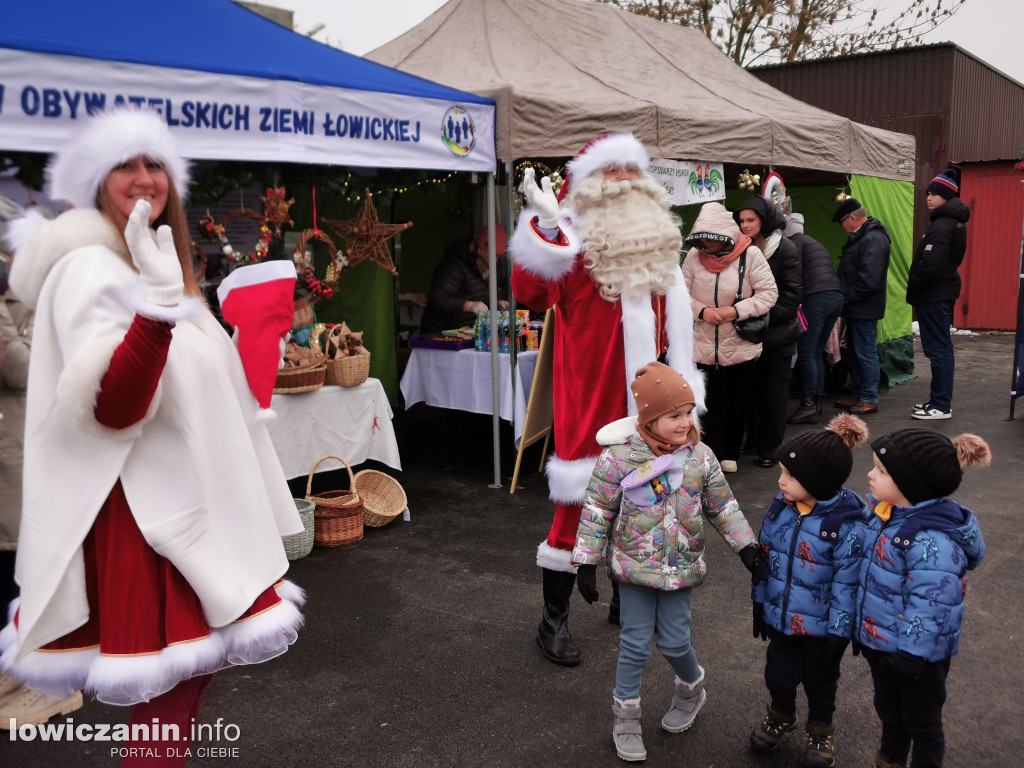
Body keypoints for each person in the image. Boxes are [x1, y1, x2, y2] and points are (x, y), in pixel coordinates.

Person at [0, 109, 304, 761]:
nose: (144, 177)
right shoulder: (93, 270)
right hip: (149, 521)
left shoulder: (154, 259)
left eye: (154, 163)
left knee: (186, 690)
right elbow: (114, 407)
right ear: (96, 182)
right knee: (166, 707)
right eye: (125, 165)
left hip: (183, 509)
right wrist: (158, 310)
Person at [510, 133, 703, 666]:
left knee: (642, 503)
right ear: (587, 185)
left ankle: (625, 597)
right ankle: (553, 621)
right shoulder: (573, 245)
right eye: (610, 172)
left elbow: (668, 328)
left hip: (650, 408)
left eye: (630, 171)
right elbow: (529, 293)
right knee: (577, 513)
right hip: (591, 406)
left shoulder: (659, 244)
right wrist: (546, 227)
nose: (623, 181)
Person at [571, 362, 759, 762]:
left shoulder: (700, 457)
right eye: (674, 415)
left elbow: (722, 506)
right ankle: (625, 718)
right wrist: (585, 562)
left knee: (675, 641)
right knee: (635, 644)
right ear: (649, 419)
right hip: (634, 569)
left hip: (681, 568)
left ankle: (691, 690)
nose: (685, 422)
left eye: (688, 412)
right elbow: (596, 510)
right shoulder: (618, 459)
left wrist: (746, 546)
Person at [854, 428, 990, 768]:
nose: (870, 474)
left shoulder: (932, 541)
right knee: (890, 711)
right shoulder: (887, 514)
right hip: (885, 642)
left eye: (881, 471)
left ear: (912, 486)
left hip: (918, 656)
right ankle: (890, 759)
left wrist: (913, 653)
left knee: (922, 722)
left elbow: (932, 604)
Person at [749, 414, 872, 767]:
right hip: (782, 619)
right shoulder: (781, 508)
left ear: (817, 482)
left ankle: (821, 730)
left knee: (821, 682)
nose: (780, 481)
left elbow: (848, 584)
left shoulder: (846, 526)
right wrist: (759, 604)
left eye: (790, 476)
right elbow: (765, 559)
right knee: (778, 674)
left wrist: (841, 630)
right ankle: (781, 714)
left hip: (822, 630)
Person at [682, 201, 777, 473]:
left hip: (739, 346)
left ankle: (730, 452)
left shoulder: (751, 255)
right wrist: (702, 311)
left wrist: (734, 311)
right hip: (701, 344)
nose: (707, 247)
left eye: (712, 240)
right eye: (702, 240)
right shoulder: (692, 257)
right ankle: (708, 452)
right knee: (706, 402)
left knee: (737, 402)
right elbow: (679, 293)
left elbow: (769, 293)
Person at [736, 195, 803, 468]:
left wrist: (758, 315)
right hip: (748, 333)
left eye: (751, 220)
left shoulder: (784, 249)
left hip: (777, 334)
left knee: (773, 394)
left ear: (764, 220)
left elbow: (792, 295)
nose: (745, 225)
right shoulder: (741, 247)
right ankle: (752, 439)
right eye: (741, 220)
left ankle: (770, 449)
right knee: (750, 391)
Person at [907, 168, 969, 420]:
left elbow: (931, 264)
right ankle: (937, 401)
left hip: (934, 294)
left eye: (934, 194)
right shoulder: (947, 222)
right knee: (937, 349)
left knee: (939, 349)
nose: (929, 198)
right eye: (928, 194)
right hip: (936, 293)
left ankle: (941, 405)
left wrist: (916, 281)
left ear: (947, 196)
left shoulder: (944, 225)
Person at [832, 198, 891, 415]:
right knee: (856, 351)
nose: (841, 227)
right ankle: (858, 394)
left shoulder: (872, 238)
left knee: (864, 351)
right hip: (858, 305)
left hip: (863, 306)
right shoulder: (865, 237)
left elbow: (869, 279)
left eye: (842, 222)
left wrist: (847, 299)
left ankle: (868, 396)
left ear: (853, 218)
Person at [784, 212, 844, 424]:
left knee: (808, 352)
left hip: (817, 298)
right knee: (816, 352)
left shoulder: (793, 244)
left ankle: (809, 405)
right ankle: (815, 404)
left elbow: (792, 277)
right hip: (835, 297)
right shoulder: (813, 242)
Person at [418, 223, 508, 334]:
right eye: (494, 255)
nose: (496, 260)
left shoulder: (484, 266)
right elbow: (438, 298)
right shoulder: (454, 264)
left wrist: (494, 304)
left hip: (463, 332)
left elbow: (475, 296)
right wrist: (468, 305)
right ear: (480, 249)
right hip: (440, 333)